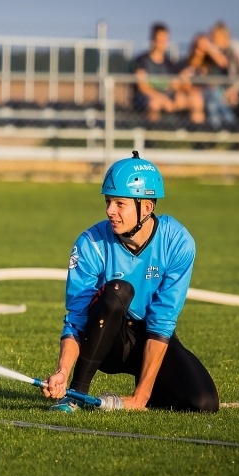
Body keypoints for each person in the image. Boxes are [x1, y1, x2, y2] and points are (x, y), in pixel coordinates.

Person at [41, 151, 219, 413]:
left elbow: (162, 322)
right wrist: (62, 371)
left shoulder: (178, 242)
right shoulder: (90, 242)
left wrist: (140, 397)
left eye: (119, 203)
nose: (109, 211)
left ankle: (144, 393)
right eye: (108, 201)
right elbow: (76, 319)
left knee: (204, 403)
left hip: (148, 337)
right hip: (104, 339)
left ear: (146, 207)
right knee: (118, 290)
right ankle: (76, 395)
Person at [132, 23, 204, 125]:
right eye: (159, 39)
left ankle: (198, 137)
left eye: (165, 39)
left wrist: (182, 84)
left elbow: (174, 85)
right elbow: (142, 87)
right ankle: (152, 137)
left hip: (167, 97)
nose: (162, 42)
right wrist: (162, 99)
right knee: (154, 103)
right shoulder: (141, 61)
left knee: (196, 99)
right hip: (147, 99)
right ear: (153, 39)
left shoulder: (169, 63)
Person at [180, 33, 235, 130]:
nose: (198, 49)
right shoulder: (186, 63)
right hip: (194, 95)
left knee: (214, 98)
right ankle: (222, 126)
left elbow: (224, 63)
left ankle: (228, 124)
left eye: (201, 47)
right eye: (196, 45)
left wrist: (209, 47)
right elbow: (182, 82)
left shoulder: (209, 63)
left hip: (211, 94)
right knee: (210, 100)